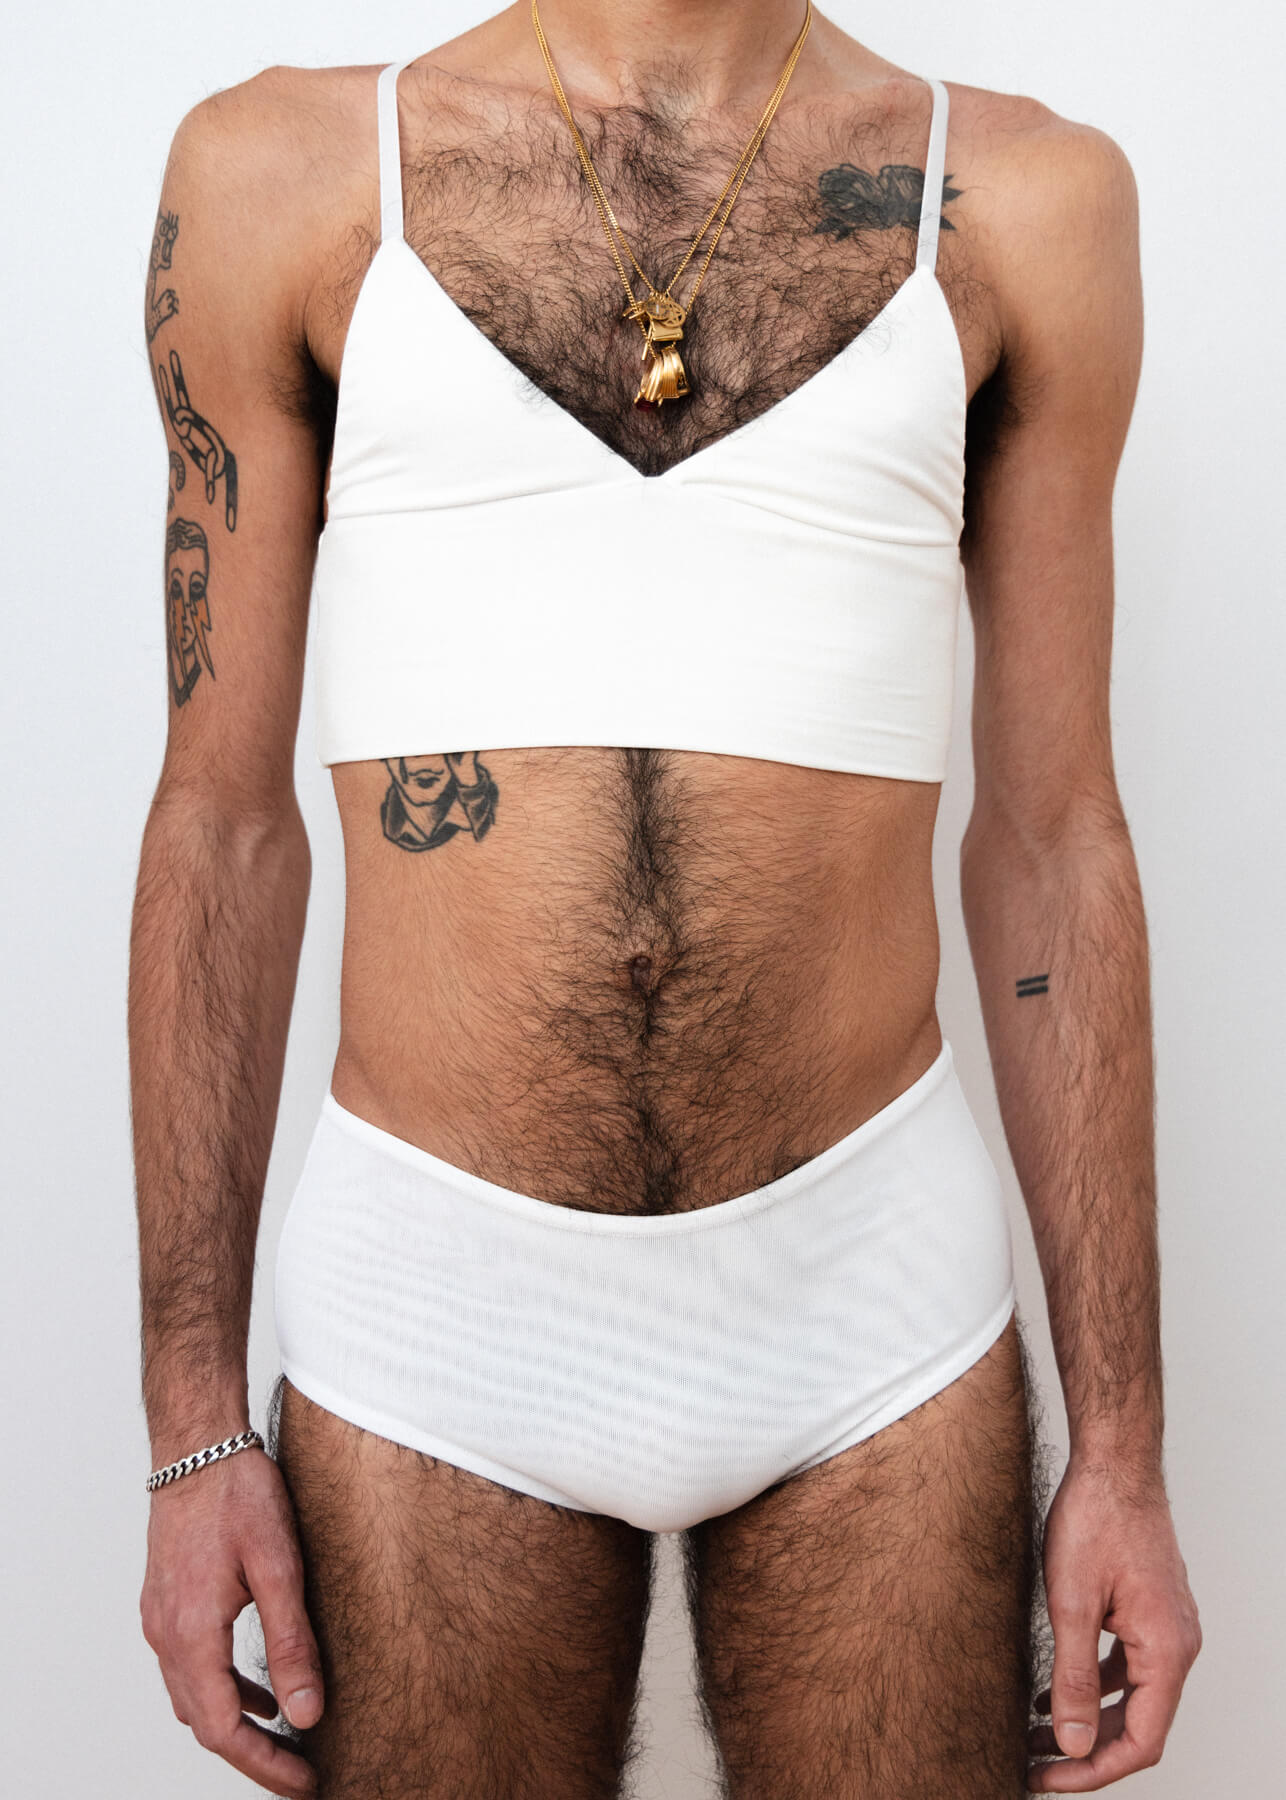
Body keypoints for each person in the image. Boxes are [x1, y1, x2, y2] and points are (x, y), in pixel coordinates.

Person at [129, 3, 1202, 1796]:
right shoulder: (282, 172)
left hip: (868, 1293)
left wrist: (1124, 1451)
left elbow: (1054, 840)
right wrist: (188, 1427)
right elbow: (219, 829)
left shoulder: (1025, 198)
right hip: (437, 1299)